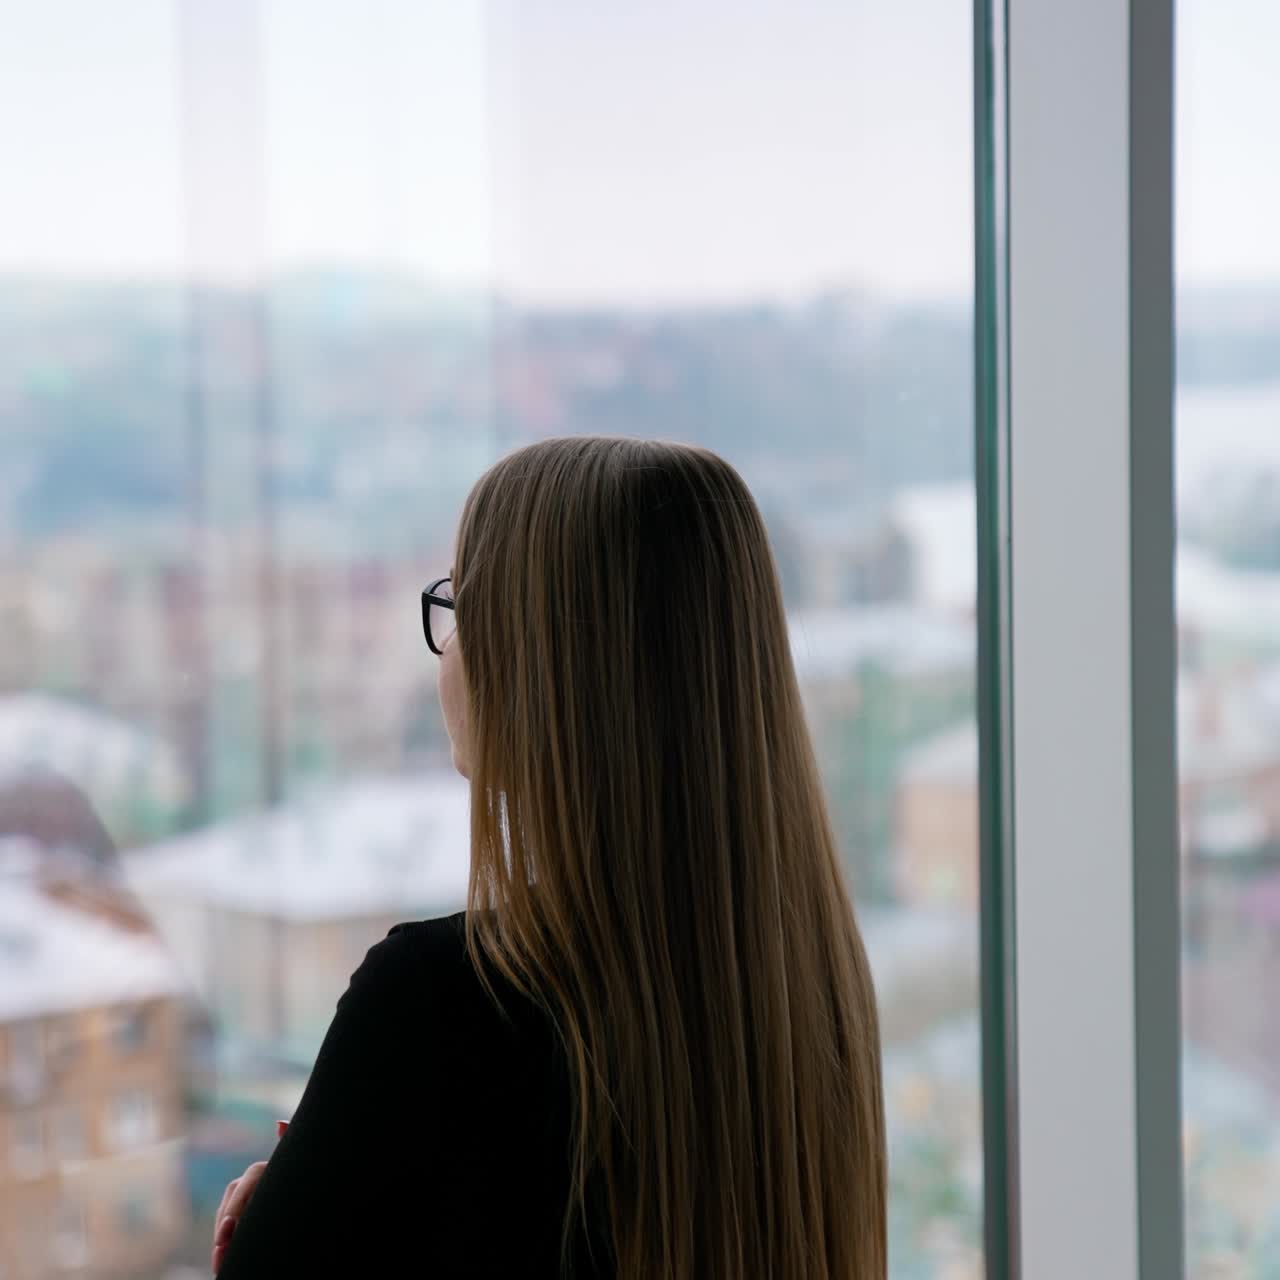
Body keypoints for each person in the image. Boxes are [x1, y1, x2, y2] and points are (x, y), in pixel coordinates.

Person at [212, 436, 886, 1279]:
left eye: (458, 606)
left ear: (532, 662)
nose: (448, 650)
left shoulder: (442, 998)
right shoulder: (806, 985)